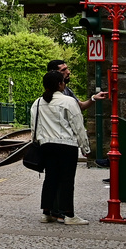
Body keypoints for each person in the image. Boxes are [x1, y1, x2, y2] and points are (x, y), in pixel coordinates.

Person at [34, 69, 91, 225]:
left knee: (50, 178)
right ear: (60, 84)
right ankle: (69, 215)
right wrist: (85, 148)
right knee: (66, 180)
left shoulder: (38, 102)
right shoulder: (68, 102)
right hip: (66, 145)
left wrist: (39, 143)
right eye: (63, 82)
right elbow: (78, 126)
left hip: (47, 145)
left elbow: (35, 127)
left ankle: (46, 213)